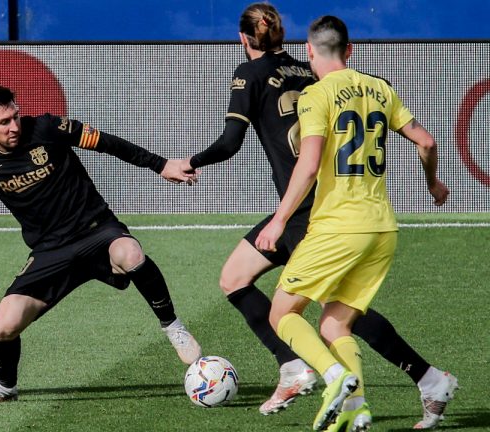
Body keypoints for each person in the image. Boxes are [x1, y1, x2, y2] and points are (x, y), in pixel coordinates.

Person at [163, 3, 457, 428]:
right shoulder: (311, 72)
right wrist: (432, 183)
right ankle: (298, 370)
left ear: (243, 39)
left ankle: (396, 380)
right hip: (341, 210)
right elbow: (423, 140)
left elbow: (235, 144)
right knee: (237, 279)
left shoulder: (254, 74)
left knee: (330, 314)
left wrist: (190, 161)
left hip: (313, 211)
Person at [0, 84, 201, 404]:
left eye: (15, 116)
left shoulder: (47, 127)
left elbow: (107, 143)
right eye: (4, 123)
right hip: (49, 253)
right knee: (4, 325)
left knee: (131, 253)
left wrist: (161, 165)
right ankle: (5, 388)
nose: (14, 126)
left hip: (97, 231)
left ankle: (173, 326)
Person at [251, 15, 451, 431]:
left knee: (281, 312)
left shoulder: (314, 94)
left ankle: (333, 375)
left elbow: (306, 168)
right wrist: (433, 184)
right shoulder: (379, 87)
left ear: (308, 51)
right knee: (335, 322)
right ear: (350, 50)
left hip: (339, 226)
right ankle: (357, 408)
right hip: (381, 229)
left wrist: (278, 221)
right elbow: (427, 142)